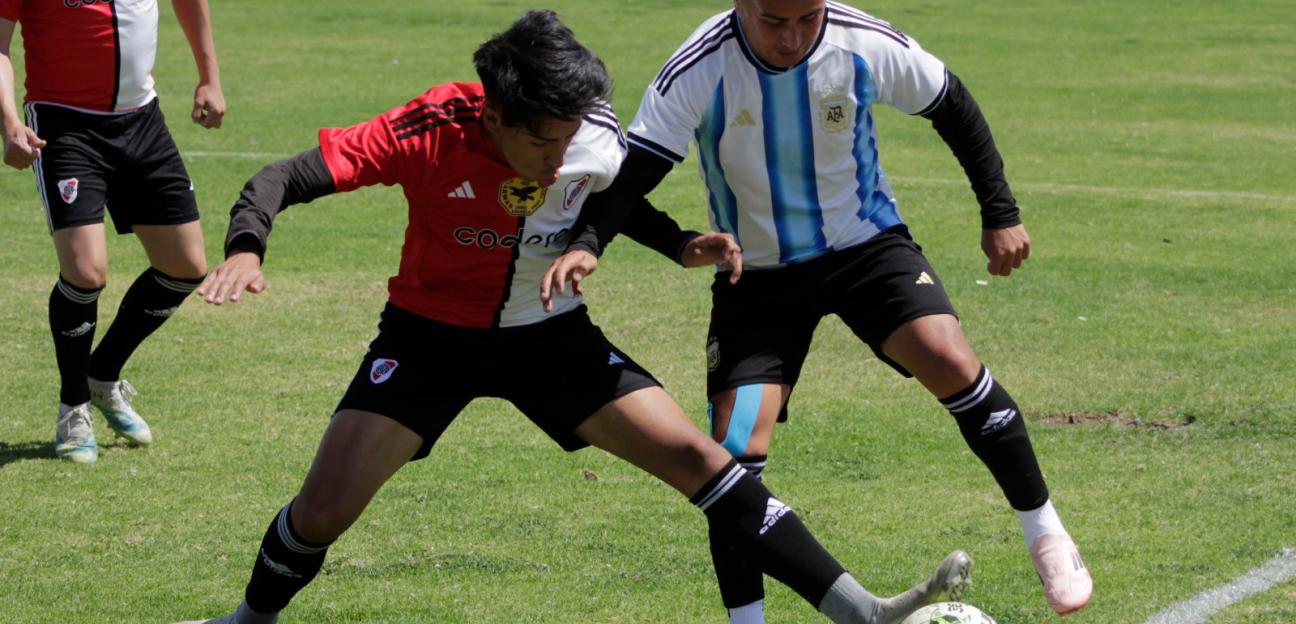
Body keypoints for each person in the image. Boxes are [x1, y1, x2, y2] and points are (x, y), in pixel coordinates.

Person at [177, 11, 970, 624]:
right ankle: (250, 617)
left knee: (701, 459)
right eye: (544, 143)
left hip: (550, 337)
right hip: (428, 341)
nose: (563, 160)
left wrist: (681, 245)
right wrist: (248, 248)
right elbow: (280, 177)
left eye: (570, 140)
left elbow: (619, 197)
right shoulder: (430, 129)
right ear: (495, 118)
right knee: (322, 510)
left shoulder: (588, 133)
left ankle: (859, 609)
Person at [542, 0, 1093, 620]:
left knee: (948, 357)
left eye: (806, 18)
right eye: (774, 21)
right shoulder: (699, 66)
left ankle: (1046, 532)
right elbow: (637, 171)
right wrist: (588, 244)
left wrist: (1001, 213)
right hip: (758, 276)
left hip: (865, 248)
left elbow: (952, 102)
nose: (793, 37)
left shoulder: (861, 42)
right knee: (733, 456)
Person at [1, 0, 225, 463]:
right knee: (86, 272)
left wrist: (209, 76)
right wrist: (8, 122)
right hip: (64, 125)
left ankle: (102, 375)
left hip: (142, 121)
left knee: (185, 267)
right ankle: (73, 405)